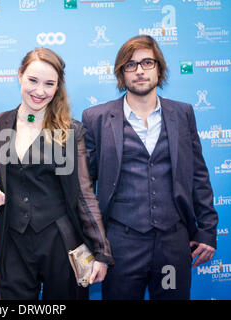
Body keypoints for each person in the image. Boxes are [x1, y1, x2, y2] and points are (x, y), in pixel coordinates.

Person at [82, 35, 218, 300]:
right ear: (121, 73)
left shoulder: (183, 113)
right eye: (131, 65)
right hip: (121, 243)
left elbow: (198, 176)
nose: (140, 70)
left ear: (159, 68)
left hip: (173, 242)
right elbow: (85, 186)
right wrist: (92, 242)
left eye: (147, 62)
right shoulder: (95, 118)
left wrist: (208, 229)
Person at [0, 48, 114, 300]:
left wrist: (101, 252)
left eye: (49, 84)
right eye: (32, 80)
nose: (40, 91)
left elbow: (85, 194)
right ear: (19, 75)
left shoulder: (71, 131)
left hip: (62, 241)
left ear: (57, 86)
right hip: (11, 241)